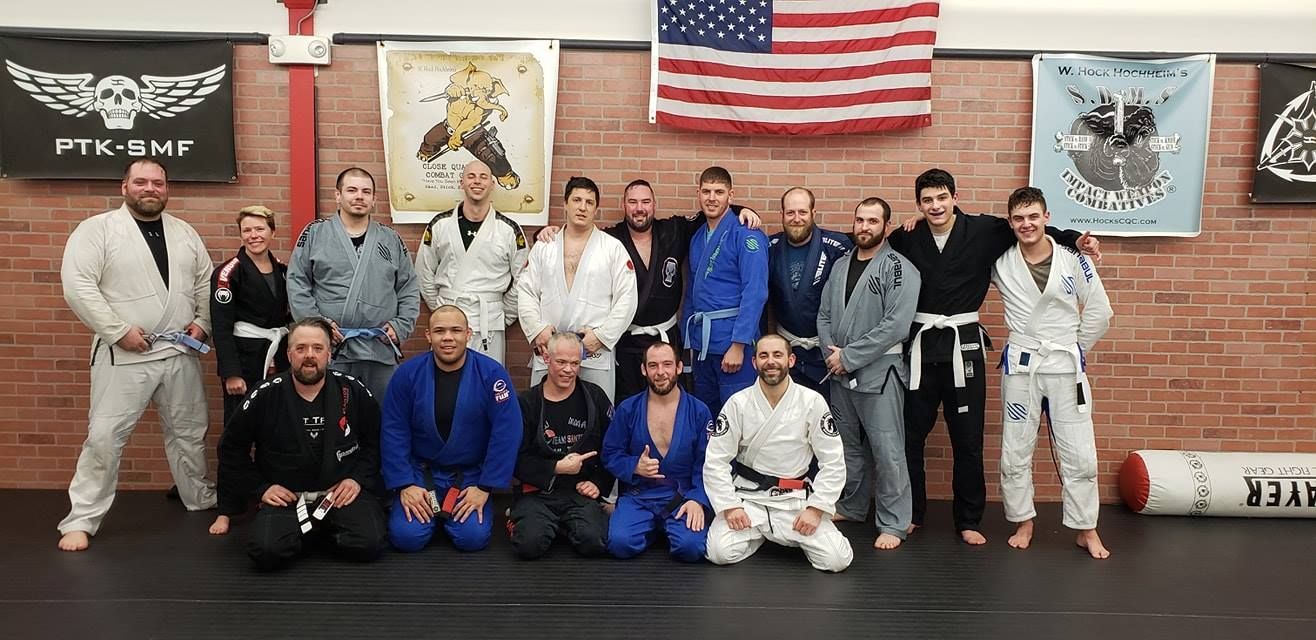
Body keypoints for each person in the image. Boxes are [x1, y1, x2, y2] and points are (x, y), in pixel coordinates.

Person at [887, 168, 1099, 545]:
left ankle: (969, 520)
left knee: (967, 439)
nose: (935, 206)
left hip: (963, 343)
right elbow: (881, 259)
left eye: (941, 198)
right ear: (918, 205)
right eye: (926, 201)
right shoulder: (907, 237)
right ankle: (911, 513)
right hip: (920, 345)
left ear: (955, 196)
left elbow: (1032, 229)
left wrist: (1076, 241)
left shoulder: (984, 230)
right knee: (912, 437)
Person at [57, 158, 216, 552]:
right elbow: (78, 285)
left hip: (179, 349)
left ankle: (197, 496)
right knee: (105, 437)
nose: (150, 189)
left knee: (189, 432)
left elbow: (204, 282)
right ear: (124, 187)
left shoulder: (184, 232)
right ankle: (81, 518)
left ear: (167, 189)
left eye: (158, 183)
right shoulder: (97, 230)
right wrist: (117, 330)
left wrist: (202, 321)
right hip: (124, 352)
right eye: (141, 182)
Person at [537, 179, 760, 400]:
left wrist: (742, 209)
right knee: (627, 402)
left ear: (654, 205)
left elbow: (712, 211)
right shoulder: (608, 240)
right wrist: (545, 232)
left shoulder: (674, 230)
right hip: (626, 340)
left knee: (670, 399)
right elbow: (576, 237)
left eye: (645, 202)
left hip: (666, 337)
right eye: (633, 202)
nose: (639, 208)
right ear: (624, 206)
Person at [991, 187, 1113, 559]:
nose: (1026, 224)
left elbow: (1099, 312)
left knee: (1079, 451)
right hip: (1022, 366)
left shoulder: (1074, 259)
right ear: (1010, 222)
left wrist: (1074, 348)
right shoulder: (1000, 263)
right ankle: (1023, 521)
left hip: (1064, 365)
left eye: (1033, 216)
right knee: (1015, 449)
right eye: (1018, 218)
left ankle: (1086, 527)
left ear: (1047, 217)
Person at [215, 318, 387, 570]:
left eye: (317, 348)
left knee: (370, 544)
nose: (309, 355)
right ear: (288, 353)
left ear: (329, 354)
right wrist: (261, 488)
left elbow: (375, 442)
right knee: (265, 552)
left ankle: (310, 531)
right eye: (301, 348)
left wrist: (357, 479)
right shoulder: (265, 394)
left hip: (338, 495)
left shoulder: (352, 390)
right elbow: (231, 449)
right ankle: (314, 530)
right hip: (287, 498)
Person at [817, 197, 921, 549]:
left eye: (873, 221)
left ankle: (894, 522)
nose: (865, 226)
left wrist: (850, 356)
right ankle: (852, 505)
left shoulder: (899, 268)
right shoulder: (841, 264)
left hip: (880, 372)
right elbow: (824, 316)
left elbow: (896, 326)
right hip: (839, 370)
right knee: (847, 447)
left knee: (887, 449)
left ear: (886, 226)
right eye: (860, 220)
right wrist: (832, 354)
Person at [703, 334, 853, 572]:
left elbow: (833, 460)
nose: (770, 361)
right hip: (748, 498)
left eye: (777, 355)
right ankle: (764, 532)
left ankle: (770, 532)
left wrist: (816, 509)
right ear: (754, 363)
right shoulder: (737, 403)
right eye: (763, 355)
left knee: (836, 560)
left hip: (794, 500)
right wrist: (730, 506)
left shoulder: (812, 402)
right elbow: (715, 460)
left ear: (791, 360)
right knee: (719, 553)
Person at [381, 305, 523, 552]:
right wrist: (404, 484)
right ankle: (426, 513)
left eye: (456, 330)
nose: (448, 337)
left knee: (472, 539)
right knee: (406, 538)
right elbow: (394, 430)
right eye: (439, 331)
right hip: (420, 475)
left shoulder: (492, 374)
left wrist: (484, 487)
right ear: (428, 336)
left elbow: (507, 432)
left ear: (469, 334)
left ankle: (450, 515)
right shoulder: (407, 375)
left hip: (470, 477)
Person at [287, 167, 421, 401]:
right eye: (352, 190)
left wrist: (401, 326)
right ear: (338, 195)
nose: (359, 196)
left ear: (374, 199)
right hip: (333, 350)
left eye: (366, 191)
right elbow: (297, 282)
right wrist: (318, 326)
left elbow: (409, 287)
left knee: (381, 420)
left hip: (379, 349)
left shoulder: (390, 239)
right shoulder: (315, 234)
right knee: (333, 418)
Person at [208, 205, 293, 535]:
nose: (253, 236)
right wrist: (231, 372)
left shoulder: (284, 270)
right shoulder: (228, 273)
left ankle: (270, 495)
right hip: (244, 362)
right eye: (247, 230)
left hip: (277, 358)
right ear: (240, 234)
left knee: (277, 430)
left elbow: (289, 317)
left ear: (273, 232)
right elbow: (221, 325)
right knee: (236, 434)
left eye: (260, 229)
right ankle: (227, 508)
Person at [518, 176, 638, 402]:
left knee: (597, 418)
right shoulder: (545, 246)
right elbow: (526, 291)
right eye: (577, 200)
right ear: (565, 204)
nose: (582, 207)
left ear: (596, 209)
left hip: (594, 350)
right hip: (549, 348)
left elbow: (627, 299)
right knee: (545, 416)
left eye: (589, 202)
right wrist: (537, 330)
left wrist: (601, 336)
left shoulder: (612, 248)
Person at [603, 341, 712, 562]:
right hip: (640, 496)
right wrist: (633, 465)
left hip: (683, 496)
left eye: (667, 364)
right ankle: (653, 528)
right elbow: (610, 453)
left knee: (691, 549)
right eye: (653, 365)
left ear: (679, 368)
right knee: (620, 544)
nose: (660, 372)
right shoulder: (628, 409)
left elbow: (709, 463)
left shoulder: (699, 411)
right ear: (644, 370)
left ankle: (666, 528)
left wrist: (697, 499)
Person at [508, 332, 614, 559]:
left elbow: (612, 448)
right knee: (528, 546)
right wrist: (556, 468)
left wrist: (598, 483)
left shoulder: (594, 397)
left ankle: (562, 525)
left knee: (594, 542)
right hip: (537, 493)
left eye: (575, 363)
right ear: (546, 358)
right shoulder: (526, 403)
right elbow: (514, 459)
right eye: (561, 362)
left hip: (579, 492)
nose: (568, 370)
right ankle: (526, 518)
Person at [414, 159, 529, 364]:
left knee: (488, 383)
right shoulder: (439, 225)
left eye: (484, 177)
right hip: (448, 315)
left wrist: (504, 315)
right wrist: (441, 309)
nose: (477, 182)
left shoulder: (508, 229)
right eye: (471, 176)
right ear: (462, 182)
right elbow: (424, 272)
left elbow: (524, 279)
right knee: (445, 379)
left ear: (493, 184)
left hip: (490, 318)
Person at [683, 167, 769, 416]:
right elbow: (692, 292)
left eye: (719, 192)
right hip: (702, 345)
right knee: (707, 416)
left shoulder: (746, 235)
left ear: (731, 196)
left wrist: (739, 344)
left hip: (732, 343)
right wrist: (688, 337)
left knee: (738, 416)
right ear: (698, 194)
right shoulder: (698, 236)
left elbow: (755, 292)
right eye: (707, 191)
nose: (712, 198)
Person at [767, 187, 853, 401]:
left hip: (827, 353)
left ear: (813, 214)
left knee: (828, 420)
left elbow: (874, 240)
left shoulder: (837, 246)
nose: (797, 218)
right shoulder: (770, 247)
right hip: (788, 352)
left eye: (803, 212)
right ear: (782, 215)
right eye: (790, 213)